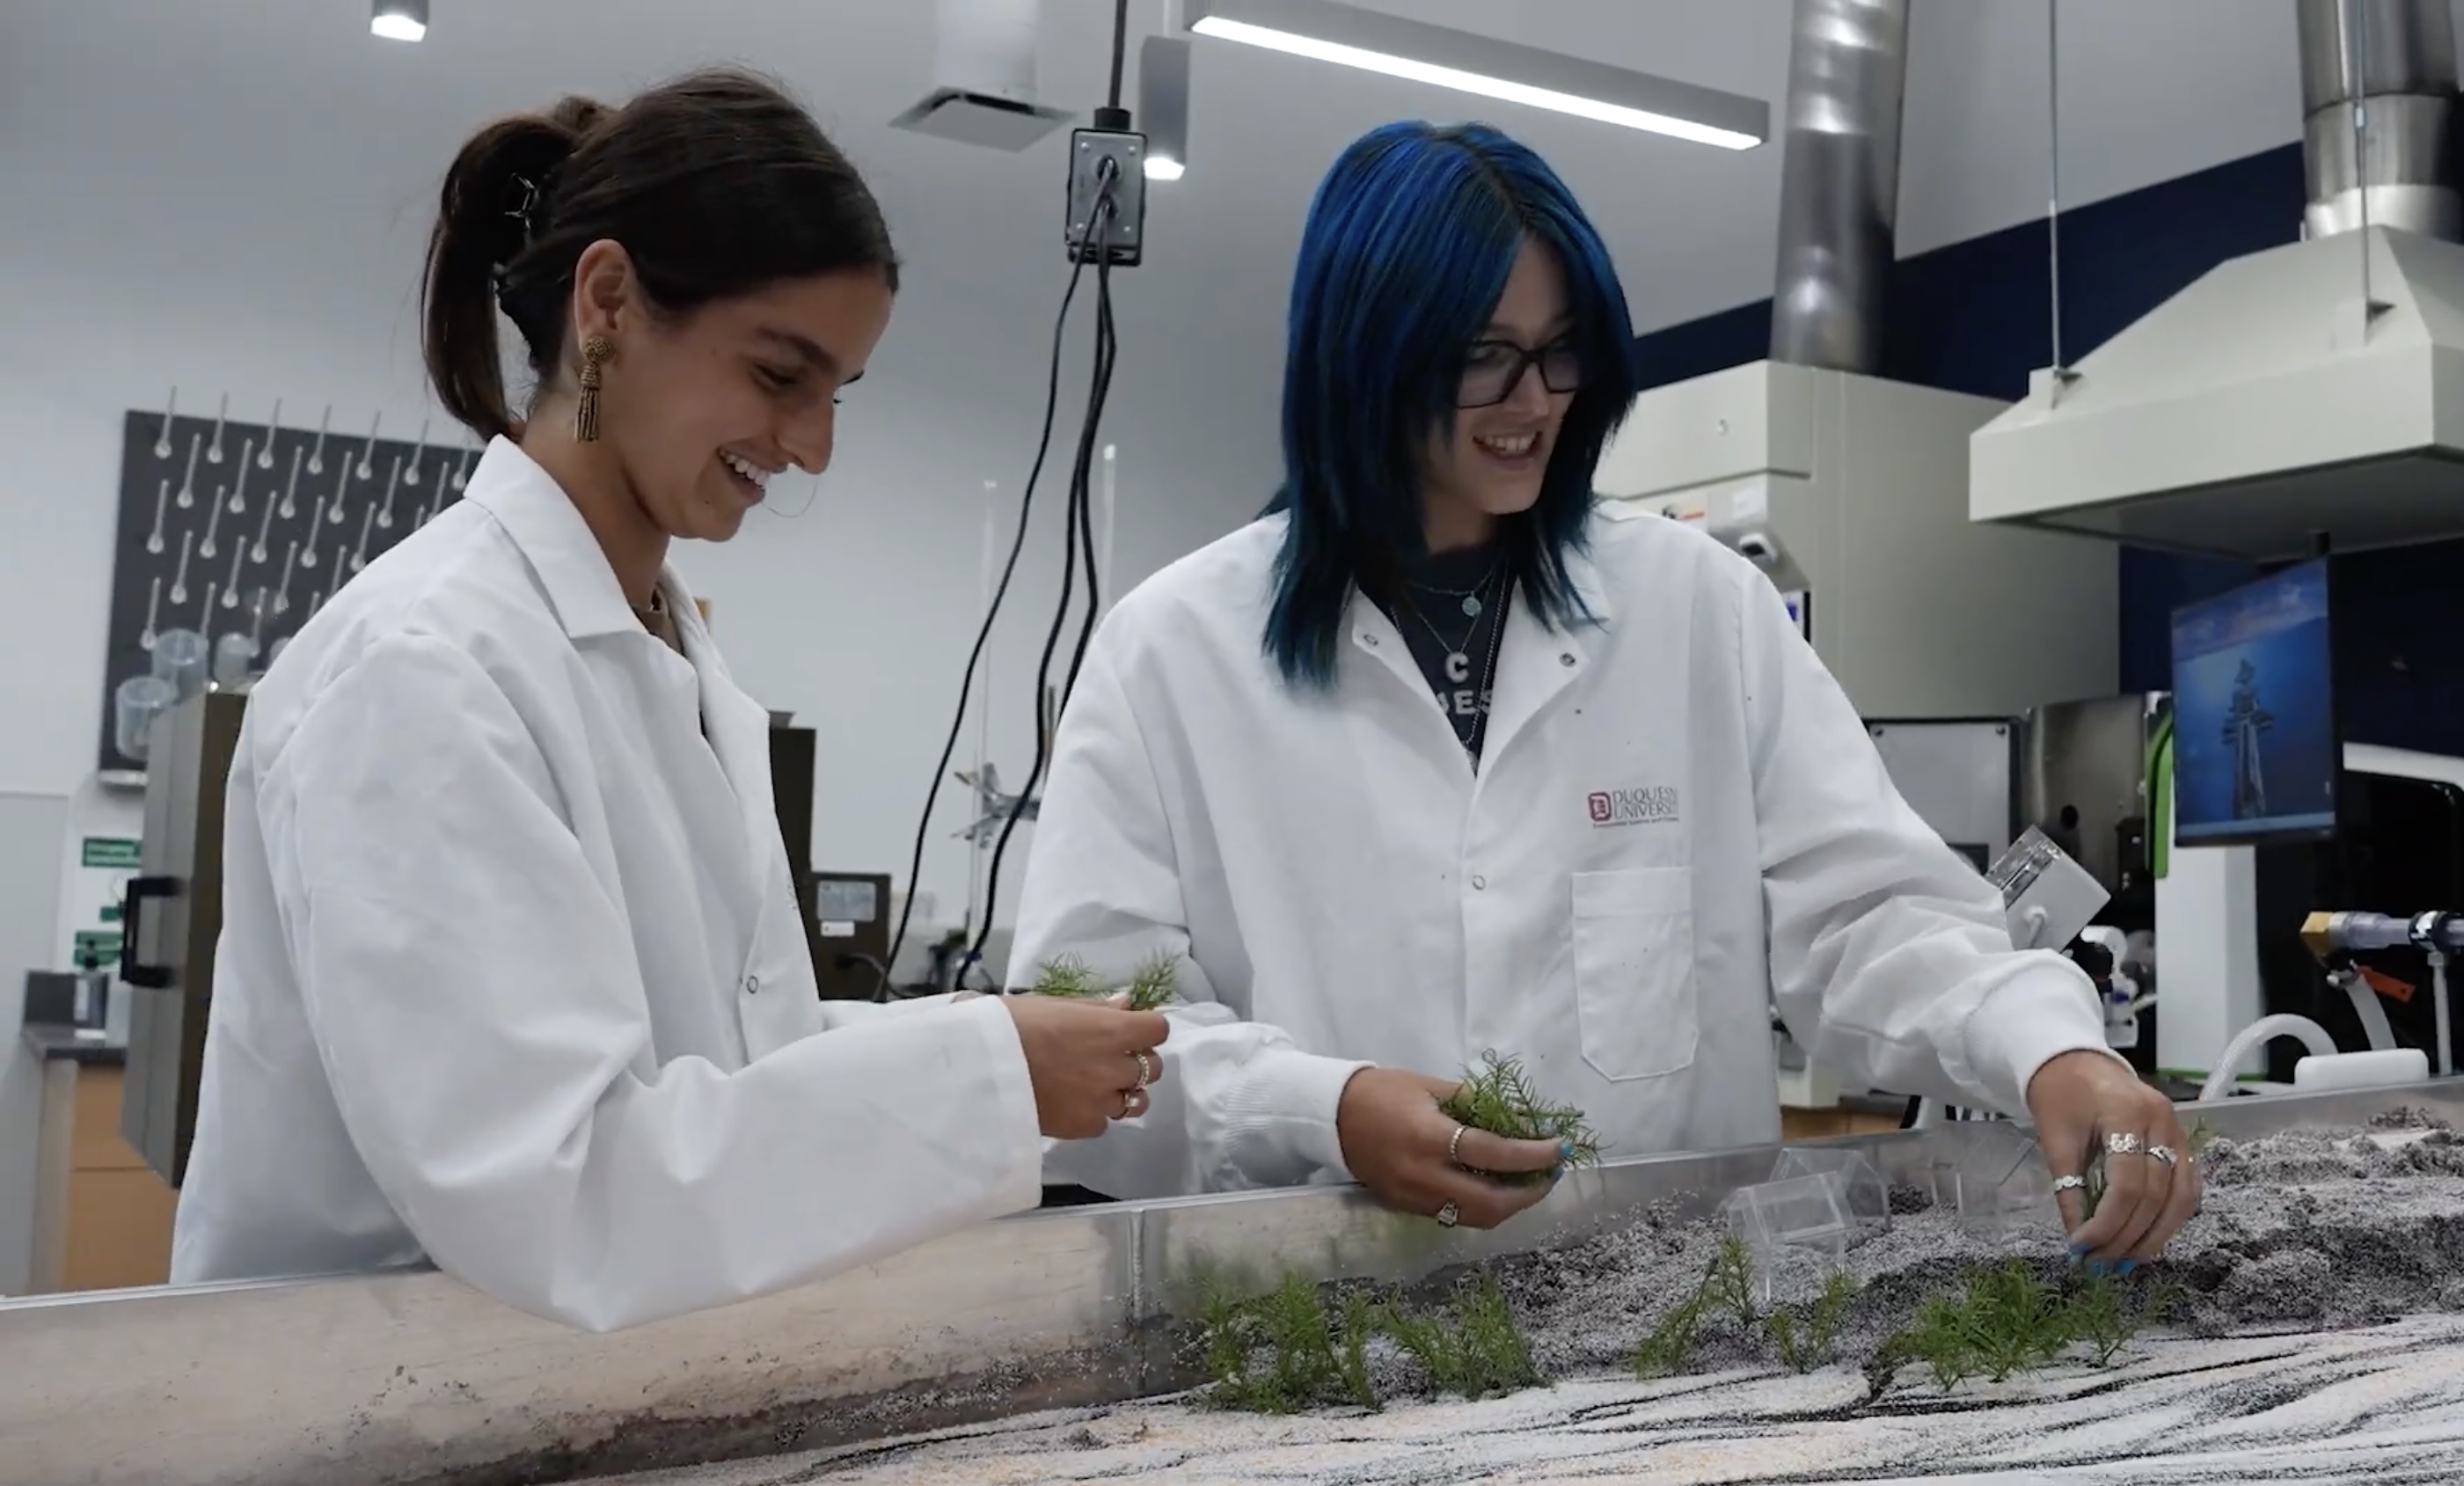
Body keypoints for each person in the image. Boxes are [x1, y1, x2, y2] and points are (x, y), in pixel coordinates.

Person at [1007, 121, 2198, 1264]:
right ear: (1360, 355)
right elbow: (1091, 1039)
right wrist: (1326, 1109)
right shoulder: (1169, 650)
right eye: (1481, 355)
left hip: (1665, 1323)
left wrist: (2048, 1049)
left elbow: (1865, 915)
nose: (1533, 401)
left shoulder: (1696, 606)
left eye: (1560, 347)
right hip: (1311, 1310)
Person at [172, 71, 1171, 1332]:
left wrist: (989, 1046)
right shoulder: (420, 669)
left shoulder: (669, 652)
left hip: (576, 1391)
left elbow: (733, 1065)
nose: (810, 447)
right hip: (357, 1409)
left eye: (835, 395)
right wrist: (985, 1074)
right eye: (778, 374)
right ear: (606, 304)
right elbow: (559, 1192)